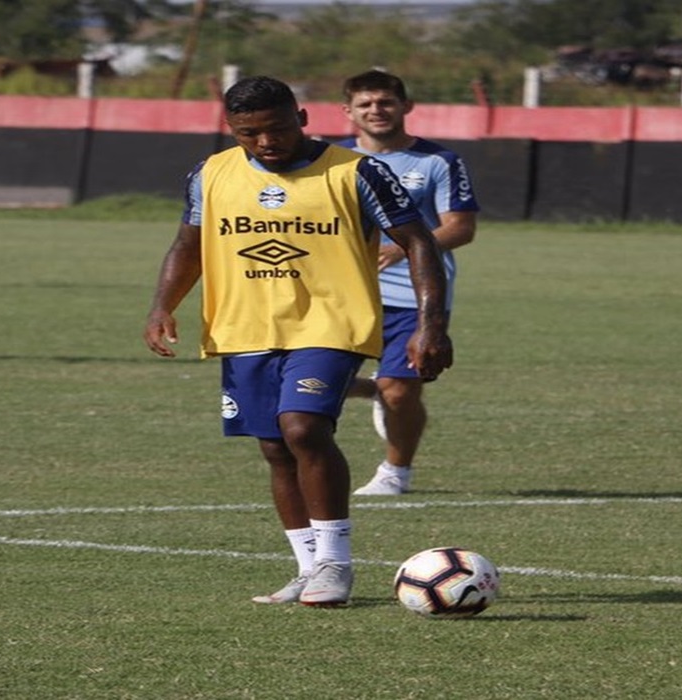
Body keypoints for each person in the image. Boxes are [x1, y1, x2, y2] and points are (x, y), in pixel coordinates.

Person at [143, 76, 452, 607]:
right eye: (248, 133)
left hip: (330, 323)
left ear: (303, 119)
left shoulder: (357, 172)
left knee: (303, 428)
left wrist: (431, 325)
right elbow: (187, 244)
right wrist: (162, 304)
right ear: (231, 129)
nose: (265, 142)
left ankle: (336, 563)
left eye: (277, 128)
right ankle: (308, 569)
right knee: (275, 447)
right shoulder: (210, 174)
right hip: (243, 326)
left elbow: (418, 241)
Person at [338, 70, 480, 496]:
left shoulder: (438, 162)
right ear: (348, 112)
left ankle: (395, 474)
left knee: (400, 391)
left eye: (384, 102)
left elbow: (461, 228)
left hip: (411, 295)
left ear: (406, 106)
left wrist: (405, 246)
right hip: (341, 295)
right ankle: (374, 392)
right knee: (307, 380)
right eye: (365, 104)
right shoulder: (332, 161)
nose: (376, 111)